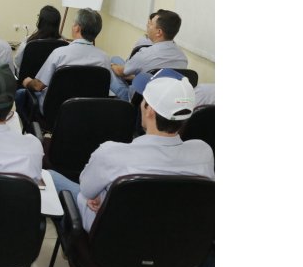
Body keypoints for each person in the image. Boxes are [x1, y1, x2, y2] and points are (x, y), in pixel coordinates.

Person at [49, 73, 214, 232]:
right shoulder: (204, 153)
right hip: (173, 242)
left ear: (149, 110)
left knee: (50, 176)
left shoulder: (111, 152)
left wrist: (103, 196)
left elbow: (87, 190)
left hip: (111, 238)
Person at [16, 8, 109, 120]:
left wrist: (27, 82)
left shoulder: (60, 54)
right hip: (89, 115)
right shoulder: (104, 59)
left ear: (77, 28)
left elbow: (38, 86)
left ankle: (32, 131)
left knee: (21, 94)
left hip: (55, 112)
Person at [110, 9, 188, 101]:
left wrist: (111, 65)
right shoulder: (182, 58)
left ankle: (125, 101)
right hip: (166, 100)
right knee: (116, 59)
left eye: (151, 24)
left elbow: (121, 72)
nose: (147, 25)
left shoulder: (145, 54)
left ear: (159, 32)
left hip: (139, 101)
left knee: (109, 67)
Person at [13, 5, 65, 71]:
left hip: (28, 80)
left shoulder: (29, 41)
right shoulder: (64, 43)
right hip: (53, 80)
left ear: (40, 21)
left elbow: (17, 62)